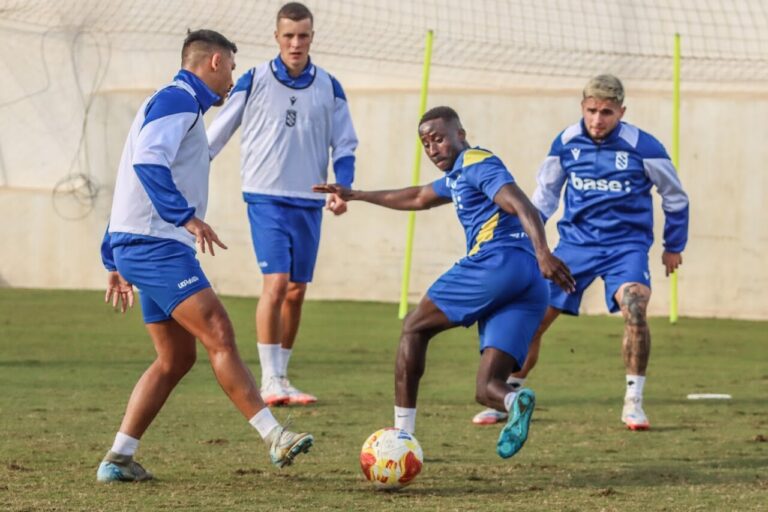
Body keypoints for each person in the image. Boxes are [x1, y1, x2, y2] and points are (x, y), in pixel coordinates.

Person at [97, 29, 313, 483]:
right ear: (214, 61)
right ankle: (275, 436)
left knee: (176, 359)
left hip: (145, 245)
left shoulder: (176, 104)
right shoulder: (177, 99)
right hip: (156, 246)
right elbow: (146, 163)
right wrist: (186, 217)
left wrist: (112, 255)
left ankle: (118, 458)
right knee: (218, 331)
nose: (232, 79)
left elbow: (129, 178)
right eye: (231, 68)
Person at [314, 106, 575, 459]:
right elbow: (418, 196)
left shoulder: (477, 161)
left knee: (414, 328)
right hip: (529, 283)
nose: (432, 148)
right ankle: (515, 402)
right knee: (487, 388)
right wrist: (357, 194)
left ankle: (402, 436)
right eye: (426, 143)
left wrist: (544, 251)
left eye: (438, 139)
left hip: (499, 262)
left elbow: (521, 204)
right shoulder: (457, 175)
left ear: (460, 135)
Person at [471, 74, 689, 431]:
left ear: (621, 112)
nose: (597, 119)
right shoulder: (565, 143)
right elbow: (544, 197)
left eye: (606, 112)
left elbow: (675, 197)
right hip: (575, 245)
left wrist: (673, 246)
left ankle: (633, 402)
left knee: (635, 308)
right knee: (533, 319)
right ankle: (507, 394)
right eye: (591, 111)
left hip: (626, 247)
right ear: (582, 107)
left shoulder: (644, 147)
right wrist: (528, 240)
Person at [207, 2, 358, 407]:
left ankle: (282, 377)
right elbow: (217, 134)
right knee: (275, 283)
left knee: (296, 290)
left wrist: (341, 188)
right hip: (265, 196)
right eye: (288, 36)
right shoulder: (254, 79)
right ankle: (270, 380)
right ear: (276, 37)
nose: (295, 43)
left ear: (312, 37)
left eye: (303, 36)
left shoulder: (330, 87)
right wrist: (189, 168)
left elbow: (345, 145)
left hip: (308, 200)